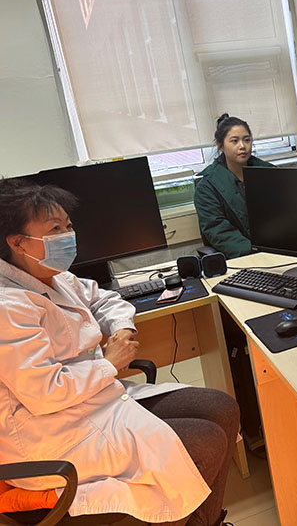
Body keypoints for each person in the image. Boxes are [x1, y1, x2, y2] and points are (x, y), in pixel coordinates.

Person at [0, 178, 238, 526]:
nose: (68, 235)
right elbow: (44, 392)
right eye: (55, 229)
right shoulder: (8, 306)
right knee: (204, 442)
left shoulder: (54, 277)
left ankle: (205, 521)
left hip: (95, 401)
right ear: (18, 242)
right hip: (51, 437)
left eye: (68, 226)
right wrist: (109, 364)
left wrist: (122, 328)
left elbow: (106, 299)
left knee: (221, 408)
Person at [194, 114, 274, 259]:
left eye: (247, 140)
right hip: (241, 257)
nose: (242, 146)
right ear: (220, 146)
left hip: (278, 249)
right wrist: (255, 253)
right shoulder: (207, 187)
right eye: (234, 141)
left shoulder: (269, 172)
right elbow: (218, 231)